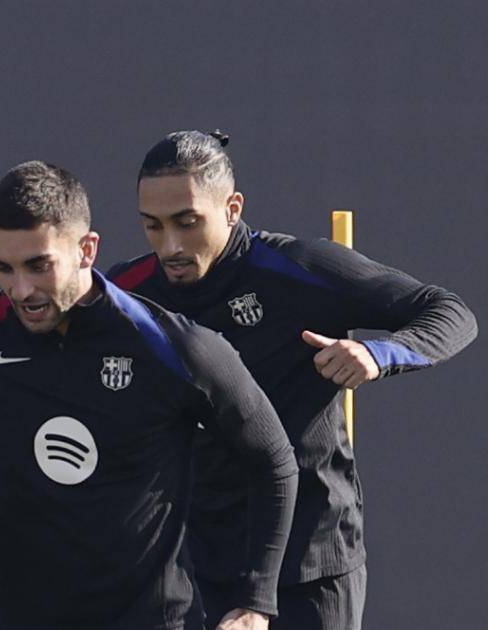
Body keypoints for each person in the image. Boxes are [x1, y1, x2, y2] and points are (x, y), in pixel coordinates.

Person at [0, 161, 299, 630]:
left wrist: (256, 601)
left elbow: (273, 461)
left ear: (87, 250)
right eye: (3, 268)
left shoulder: (174, 346)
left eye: (39, 266)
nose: (21, 289)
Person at [109, 130, 478, 629]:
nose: (170, 245)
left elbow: (450, 312)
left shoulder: (297, 268)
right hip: (199, 566)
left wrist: (376, 353)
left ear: (232, 208)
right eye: (152, 226)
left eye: (187, 222)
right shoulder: (130, 292)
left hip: (312, 564)